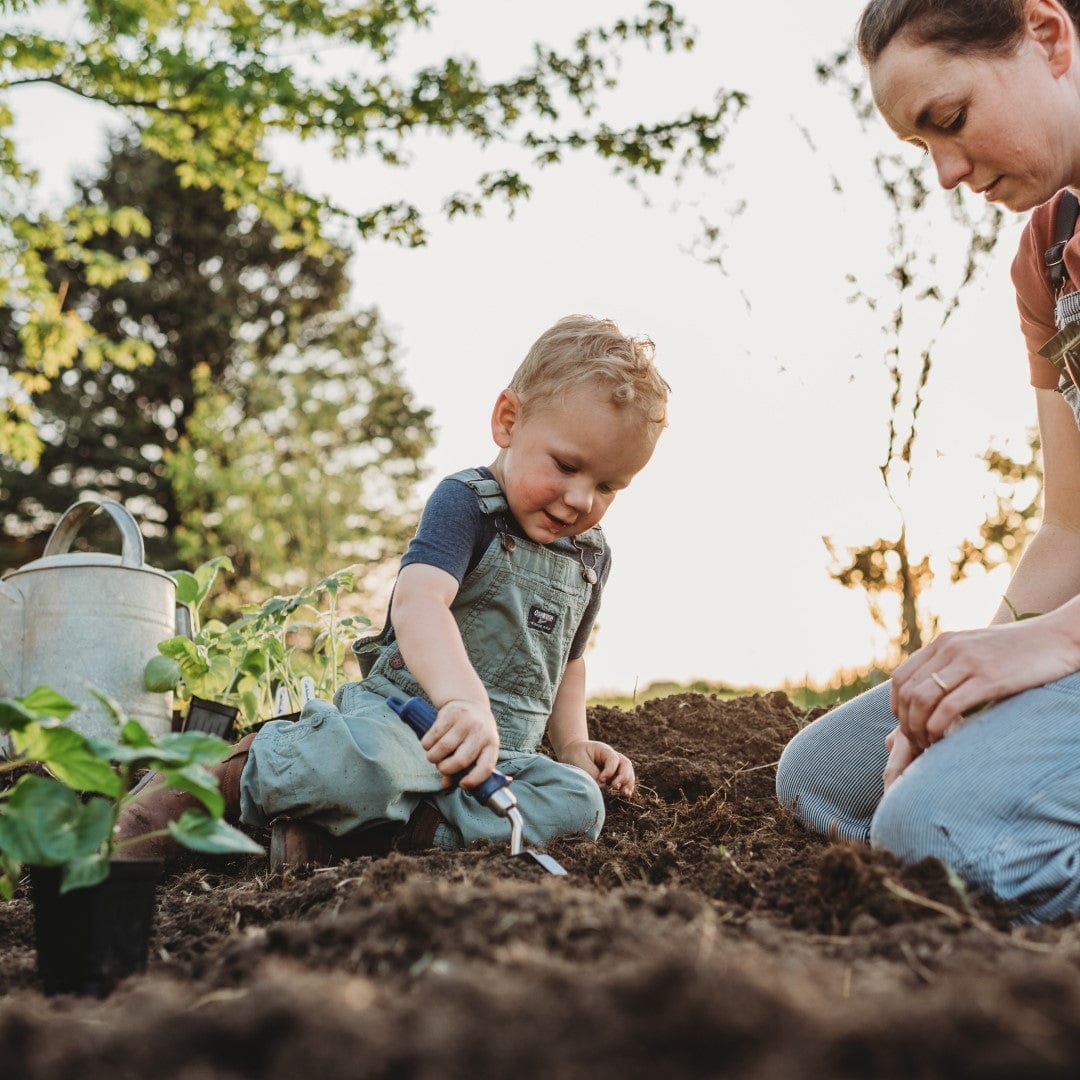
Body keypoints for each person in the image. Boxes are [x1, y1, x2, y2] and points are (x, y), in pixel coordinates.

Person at [118, 314, 669, 867]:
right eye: (567, 466)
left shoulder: (590, 556)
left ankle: (372, 838)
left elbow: (569, 663)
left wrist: (574, 747)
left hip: (498, 757)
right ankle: (218, 782)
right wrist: (462, 701)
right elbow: (419, 600)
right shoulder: (468, 505)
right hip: (406, 723)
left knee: (577, 804)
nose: (580, 500)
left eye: (606, 486)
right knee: (368, 768)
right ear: (508, 421)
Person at [776, 0, 1080, 924]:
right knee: (825, 777)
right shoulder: (1048, 265)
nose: (945, 173)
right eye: (921, 147)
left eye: (948, 121)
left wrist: (1053, 643)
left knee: (941, 823)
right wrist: (963, 690)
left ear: (1048, 34)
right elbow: (1069, 526)